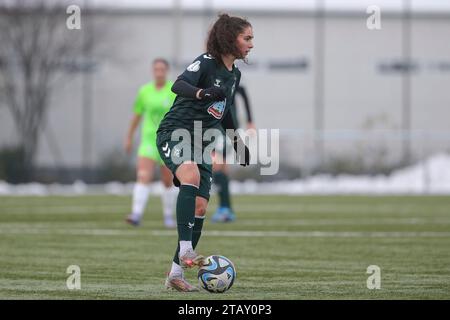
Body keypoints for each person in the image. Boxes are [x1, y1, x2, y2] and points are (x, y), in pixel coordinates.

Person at [156, 13, 254, 292]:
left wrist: (237, 144)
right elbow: (178, 85)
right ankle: (186, 250)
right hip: (175, 133)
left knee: (200, 207)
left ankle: (175, 274)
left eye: (252, 39)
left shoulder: (234, 74)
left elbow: (225, 113)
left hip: (202, 143)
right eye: (246, 38)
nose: (251, 44)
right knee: (190, 174)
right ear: (229, 39)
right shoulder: (207, 62)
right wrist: (201, 93)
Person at [125, 58, 178, 228]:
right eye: (156, 69)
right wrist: (129, 137)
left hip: (168, 140)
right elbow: (137, 115)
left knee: (167, 180)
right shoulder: (144, 91)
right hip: (148, 140)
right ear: (152, 71)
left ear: (167, 71)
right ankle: (136, 213)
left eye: (162, 69)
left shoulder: (173, 91)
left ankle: (169, 215)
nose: (159, 72)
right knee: (143, 176)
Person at [211, 84, 255, 223]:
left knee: (219, 164)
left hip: (227, 127)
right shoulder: (208, 76)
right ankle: (226, 208)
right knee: (221, 165)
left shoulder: (230, 78)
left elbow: (243, 92)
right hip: (213, 126)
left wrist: (250, 121)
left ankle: (224, 208)